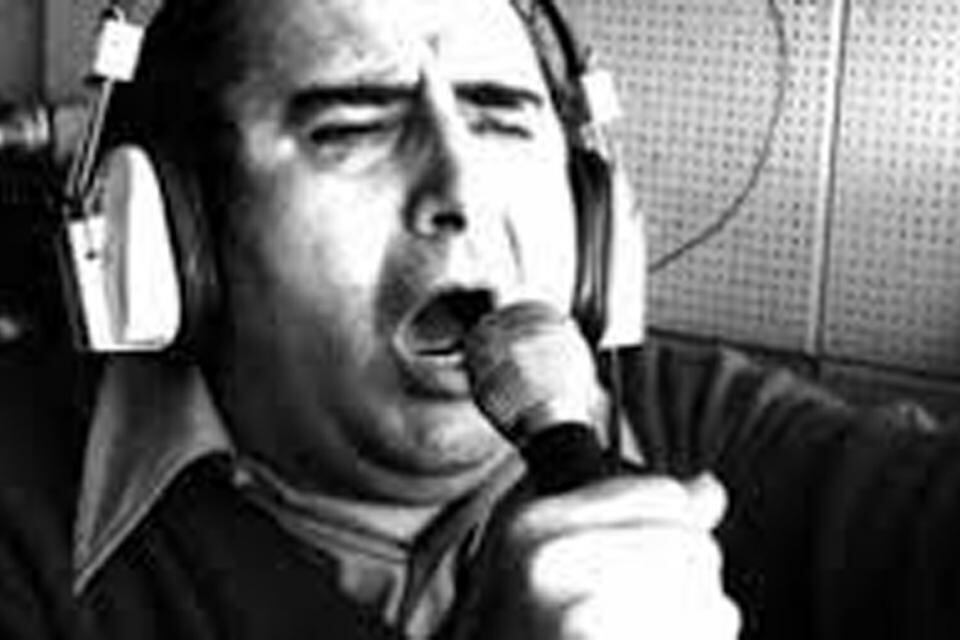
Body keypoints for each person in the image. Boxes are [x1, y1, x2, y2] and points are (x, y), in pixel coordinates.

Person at [1, 0, 959, 638]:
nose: (461, 189)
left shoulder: (711, 426)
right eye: (352, 129)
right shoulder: (20, 502)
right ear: (179, 235)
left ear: (594, 216)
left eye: (503, 120)